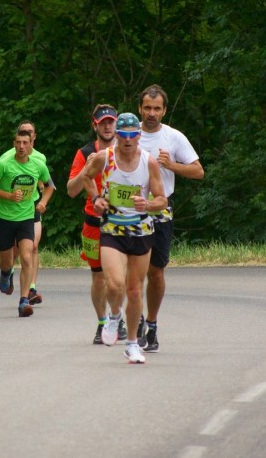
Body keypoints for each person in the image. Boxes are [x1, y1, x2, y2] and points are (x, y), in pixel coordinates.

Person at [81, 112, 168, 364]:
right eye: (123, 135)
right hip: (112, 230)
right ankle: (114, 315)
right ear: (117, 136)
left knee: (134, 290)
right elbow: (86, 176)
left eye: (132, 135)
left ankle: (132, 344)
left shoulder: (148, 162)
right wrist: (96, 198)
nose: (127, 140)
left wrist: (148, 204)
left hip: (140, 231)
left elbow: (162, 200)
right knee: (115, 284)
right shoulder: (105, 157)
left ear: (139, 136)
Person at [136, 84, 204, 353]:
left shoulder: (173, 137)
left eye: (157, 108)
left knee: (155, 272)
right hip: (130, 210)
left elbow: (198, 171)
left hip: (161, 209)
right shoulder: (127, 135)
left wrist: (171, 165)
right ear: (140, 109)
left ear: (164, 110)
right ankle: (136, 321)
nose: (151, 113)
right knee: (132, 271)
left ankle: (151, 324)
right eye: (147, 108)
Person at [66, 104, 128, 344]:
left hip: (122, 221)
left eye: (111, 122)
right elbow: (71, 191)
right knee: (99, 278)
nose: (108, 126)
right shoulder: (85, 153)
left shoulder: (127, 148)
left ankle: (117, 318)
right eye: (103, 123)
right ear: (95, 126)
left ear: (117, 124)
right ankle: (102, 322)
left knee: (119, 278)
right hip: (94, 223)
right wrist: (86, 169)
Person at [0, 128, 52, 317]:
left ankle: (23, 301)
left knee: (27, 256)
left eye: (25, 143)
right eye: (18, 143)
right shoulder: (4, 164)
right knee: (6, 262)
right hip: (4, 218)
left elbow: (49, 186)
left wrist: (43, 201)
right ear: (14, 144)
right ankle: (6, 273)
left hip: (26, 217)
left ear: (31, 144)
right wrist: (8, 195)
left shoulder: (38, 165)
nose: (21, 146)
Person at [2, 120, 55, 306]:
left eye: (30, 131)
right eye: (23, 131)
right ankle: (8, 271)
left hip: (31, 206)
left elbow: (47, 182)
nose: (27, 134)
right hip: (12, 209)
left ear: (34, 136)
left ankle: (30, 289)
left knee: (33, 246)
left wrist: (43, 201)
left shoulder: (40, 158)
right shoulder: (7, 157)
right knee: (15, 249)